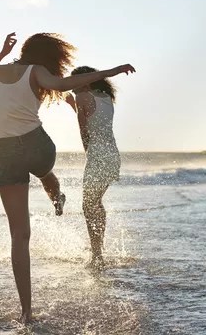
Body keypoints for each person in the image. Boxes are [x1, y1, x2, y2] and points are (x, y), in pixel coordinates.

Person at [0, 32, 135, 323]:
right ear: (48, 57)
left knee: (19, 236)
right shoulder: (37, 72)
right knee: (45, 172)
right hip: (38, 147)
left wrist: (0, 53)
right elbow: (63, 85)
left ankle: (26, 312)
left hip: (6, 154)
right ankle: (55, 190)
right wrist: (111, 72)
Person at [66, 66, 128, 269]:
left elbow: (85, 131)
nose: (71, 85)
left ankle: (97, 255)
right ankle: (98, 250)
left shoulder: (82, 97)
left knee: (88, 205)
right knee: (95, 203)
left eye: (75, 81)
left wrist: (89, 155)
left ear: (86, 81)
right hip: (112, 156)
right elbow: (95, 119)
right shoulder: (106, 97)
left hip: (98, 157)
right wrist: (71, 104)